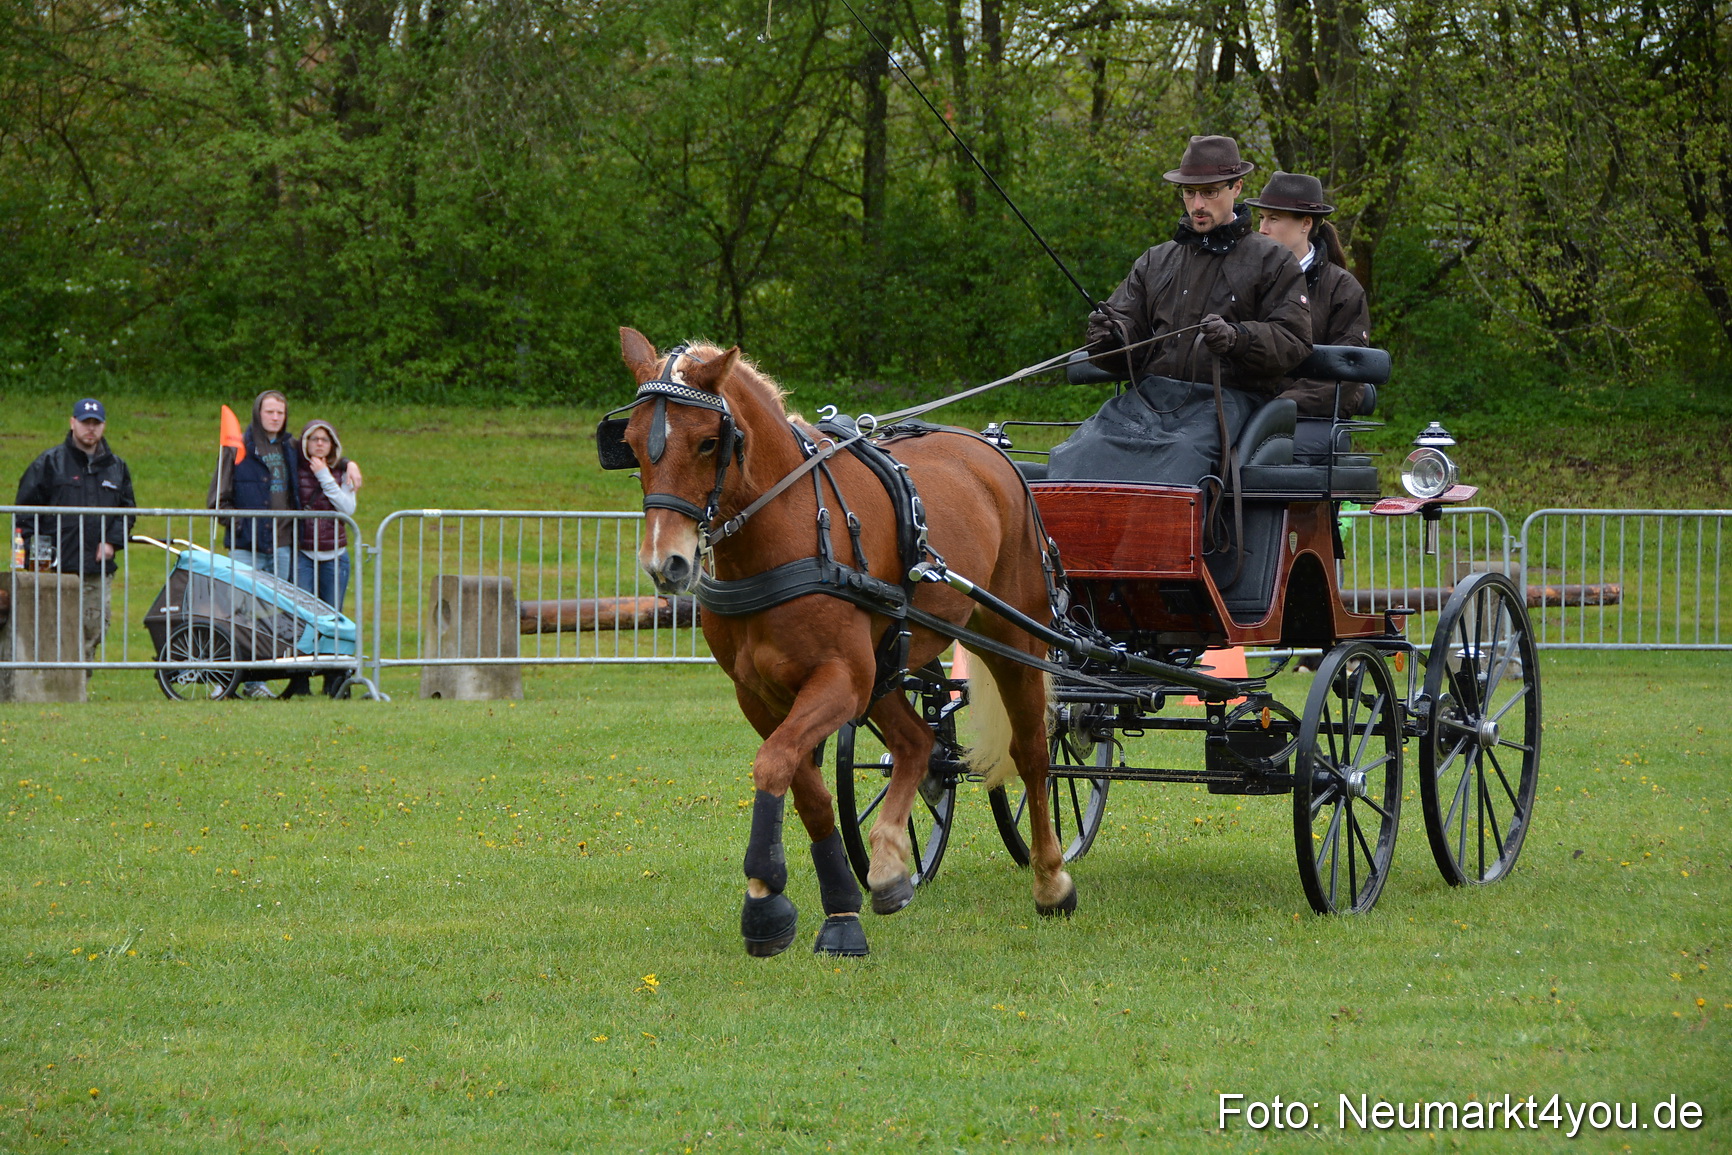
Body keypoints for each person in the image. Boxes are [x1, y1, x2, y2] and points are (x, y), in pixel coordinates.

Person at [1049, 135, 1312, 484]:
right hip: (1148, 399)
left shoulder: (1272, 260)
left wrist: (1238, 339)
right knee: (1079, 452)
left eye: (1209, 192)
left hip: (1227, 403)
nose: (1197, 204)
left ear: (1237, 187)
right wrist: (1108, 338)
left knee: (1178, 457)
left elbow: (1294, 339)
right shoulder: (1156, 261)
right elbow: (1127, 331)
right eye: (1189, 193)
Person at [12, 398, 138, 675]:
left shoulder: (117, 467)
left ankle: (79, 679)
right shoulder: (48, 463)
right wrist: (34, 554)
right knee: (51, 626)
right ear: (72, 423)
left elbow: (127, 511)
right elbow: (23, 513)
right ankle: (55, 681)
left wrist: (111, 542)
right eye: (85, 422)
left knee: (93, 626)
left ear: (103, 426)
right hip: (54, 568)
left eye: (96, 423)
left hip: (95, 569)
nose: (90, 429)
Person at [1247, 171, 1372, 417]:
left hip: (1311, 418)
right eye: (1261, 218)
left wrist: (1277, 408)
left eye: (1273, 218)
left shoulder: (1343, 289)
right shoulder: (1246, 278)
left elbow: (1348, 372)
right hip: (1244, 409)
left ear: (1306, 223)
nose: (1262, 229)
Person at [293, 419, 357, 611]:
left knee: (332, 614)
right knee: (302, 614)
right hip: (302, 553)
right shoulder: (294, 470)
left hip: (335, 554)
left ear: (332, 444)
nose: (319, 444)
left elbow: (348, 508)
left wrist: (324, 476)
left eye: (325, 440)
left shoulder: (343, 472)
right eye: (314, 439)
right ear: (305, 442)